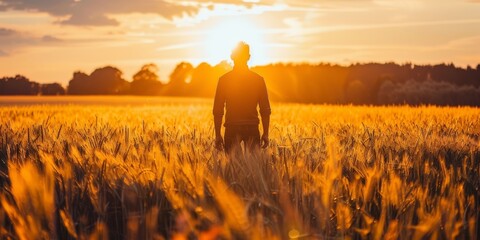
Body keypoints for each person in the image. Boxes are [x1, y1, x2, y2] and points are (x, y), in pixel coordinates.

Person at [213, 41, 271, 152]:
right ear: (249, 57)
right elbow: (265, 110)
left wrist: (217, 135)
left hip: (231, 128)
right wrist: (266, 133)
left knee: (232, 167)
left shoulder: (224, 80)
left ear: (232, 57)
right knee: (254, 167)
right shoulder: (258, 80)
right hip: (252, 128)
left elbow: (217, 110)